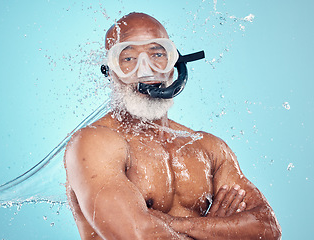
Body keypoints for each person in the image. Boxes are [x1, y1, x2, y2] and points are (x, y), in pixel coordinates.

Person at [65, 12, 281, 240]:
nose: (146, 70)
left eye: (157, 54)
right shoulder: (93, 143)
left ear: (175, 62)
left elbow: (267, 228)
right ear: (110, 72)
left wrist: (177, 224)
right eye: (128, 59)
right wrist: (218, 229)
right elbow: (140, 236)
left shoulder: (208, 147)